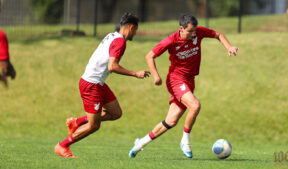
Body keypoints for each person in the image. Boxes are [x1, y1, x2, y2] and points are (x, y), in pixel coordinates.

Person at [129, 14, 238, 158]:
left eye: (195, 31)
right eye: (190, 31)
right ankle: (185, 141)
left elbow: (218, 35)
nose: (194, 34)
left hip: (189, 81)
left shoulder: (198, 32)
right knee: (195, 105)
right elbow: (150, 56)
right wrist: (156, 76)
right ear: (181, 28)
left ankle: (141, 143)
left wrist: (229, 47)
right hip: (176, 80)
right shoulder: (171, 40)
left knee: (171, 121)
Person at [54, 12, 150, 158]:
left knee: (116, 113)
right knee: (94, 125)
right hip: (91, 84)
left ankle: (77, 122)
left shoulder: (112, 35)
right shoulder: (120, 42)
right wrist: (136, 73)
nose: (135, 34)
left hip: (97, 83)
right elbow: (112, 66)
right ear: (131, 27)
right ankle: (62, 146)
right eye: (135, 30)